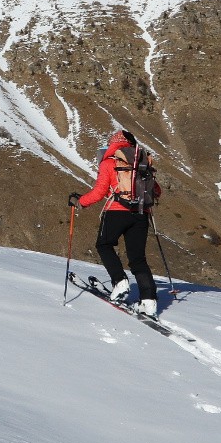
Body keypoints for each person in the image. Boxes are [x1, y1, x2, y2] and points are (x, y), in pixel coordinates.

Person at [69, 129, 163, 317]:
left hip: (116, 212)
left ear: (113, 144)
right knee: (138, 258)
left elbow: (99, 191)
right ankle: (149, 301)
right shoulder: (141, 162)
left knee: (104, 245)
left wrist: (80, 202)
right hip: (141, 214)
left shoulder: (109, 162)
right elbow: (157, 191)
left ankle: (120, 282)